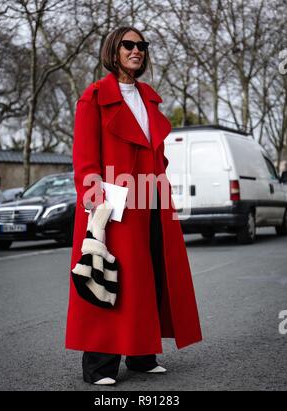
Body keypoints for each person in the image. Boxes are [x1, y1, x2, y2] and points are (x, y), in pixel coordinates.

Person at [66, 26, 202, 386]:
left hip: (151, 201)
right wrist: (96, 206)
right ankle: (99, 366)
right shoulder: (93, 97)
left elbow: (157, 154)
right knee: (110, 279)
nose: (136, 50)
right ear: (113, 50)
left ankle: (142, 356)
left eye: (142, 46)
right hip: (114, 204)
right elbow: (84, 160)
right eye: (129, 44)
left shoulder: (148, 99)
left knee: (150, 277)